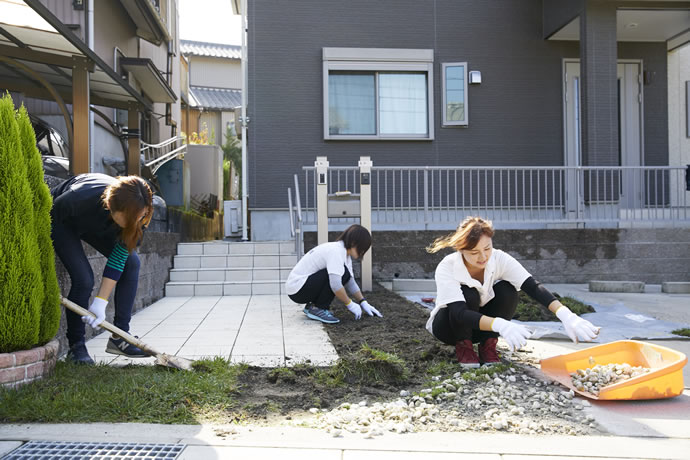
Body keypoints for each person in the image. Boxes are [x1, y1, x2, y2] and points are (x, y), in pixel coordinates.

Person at [426, 216, 599, 368]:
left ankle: (488, 345)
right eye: (474, 252)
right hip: (449, 327)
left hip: (481, 327)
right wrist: (501, 324)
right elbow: (459, 313)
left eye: (487, 248)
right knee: (468, 293)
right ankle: (464, 347)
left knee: (507, 290)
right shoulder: (448, 267)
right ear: (461, 250)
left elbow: (532, 286)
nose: (483, 257)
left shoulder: (499, 258)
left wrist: (566, 315)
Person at [51, 173, 154, 364]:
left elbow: (119, 258)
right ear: (113, 207)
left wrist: (101, 302)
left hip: (100, 222)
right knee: (84, 280)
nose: (138, 222)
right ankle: (76, 347)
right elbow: (49, 212)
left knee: (132, 263)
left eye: (141, 216)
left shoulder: (139, 214)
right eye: (133, 218)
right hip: (62, 220)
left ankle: (120, 337)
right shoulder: (78, 197)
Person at [286, 224, 382, 324]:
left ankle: (313, 307)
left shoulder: (345, 255)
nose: (363, 252)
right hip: (298, 289)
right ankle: (318, 308)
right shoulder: (336, 251)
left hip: (301, 288)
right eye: (362, 248)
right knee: (338, 275)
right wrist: (349, 304)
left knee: (344, 274)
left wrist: (363, 302)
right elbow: (335, 285)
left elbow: (350, 281)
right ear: (354, 243)